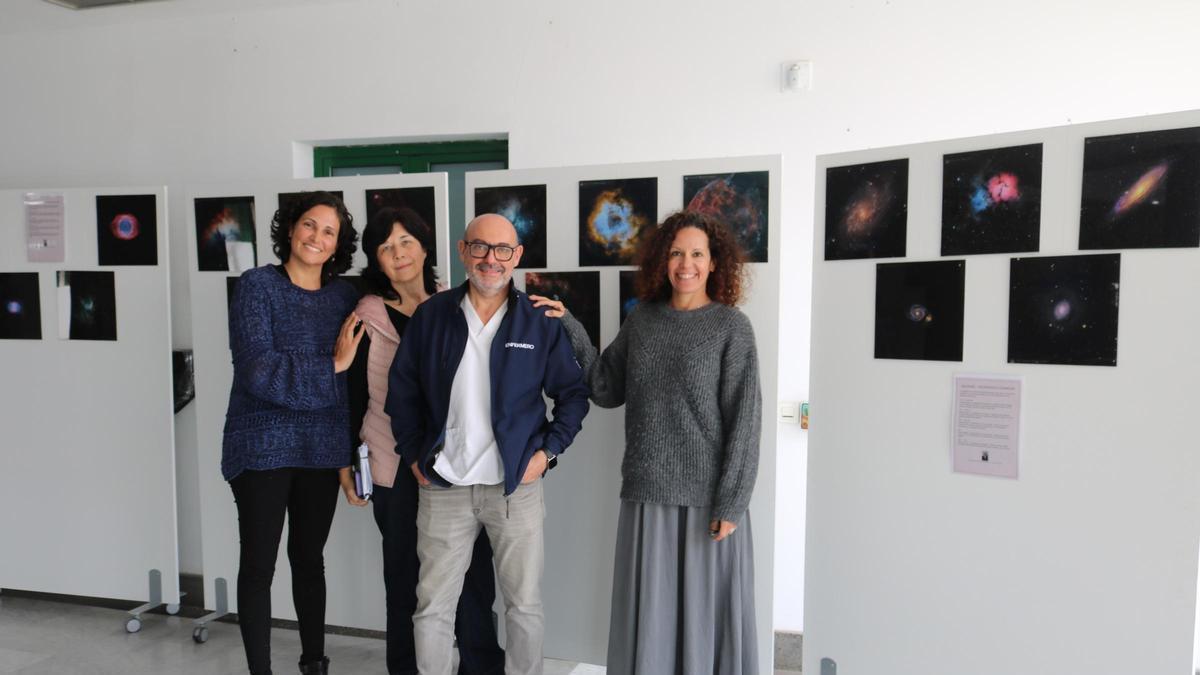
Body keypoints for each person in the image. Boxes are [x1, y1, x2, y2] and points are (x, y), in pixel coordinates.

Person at [533, 210, 762, 674]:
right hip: (646, 496)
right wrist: (570, 326)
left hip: (707, 502)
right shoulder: (644, 322)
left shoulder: (731, 328)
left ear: (715, 263)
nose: (686, 264)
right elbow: (604, 387)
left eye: (698, 254)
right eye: (677, 253)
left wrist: (732, 502)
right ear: (663, 260)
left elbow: (746, 421)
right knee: (653, 624)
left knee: (703, 624)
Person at [385, 213, 590, 675]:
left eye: (502, 250)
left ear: (516, 257)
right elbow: (402, 393)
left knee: (524, 606)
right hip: (444, 488)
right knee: (433, 606)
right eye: (480, 247)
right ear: (463, 251)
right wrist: (415, 454)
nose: (490, 260)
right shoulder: (432, 316)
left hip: (516, 488)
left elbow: (573, 395)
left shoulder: (538, 321)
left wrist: (547, 454)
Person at [337, 207, 504, 675]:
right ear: (376, 258)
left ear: (425, 246)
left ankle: (481, 666)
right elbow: (350, 396)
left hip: (462, 464)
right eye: (386, 247)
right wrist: (344, 464)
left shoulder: (457, 304)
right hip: (395, 465)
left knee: (474, 578)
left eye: (406, 241)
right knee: (406, 581)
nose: (398, 253)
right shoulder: (366, 316)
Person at [221, 190, 362, 675]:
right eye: (309, 225)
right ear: (290, 229)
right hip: (262, 446)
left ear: (338, 244)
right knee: (259, 566)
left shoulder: (346, 297)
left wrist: (345, 458)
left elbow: (351, 390)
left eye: (329, 231)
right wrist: (332, 365)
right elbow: (257, 369)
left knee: (309, 560)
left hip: (321, 448)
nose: (316, 237)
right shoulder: (257, 286)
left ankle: (314, 663)